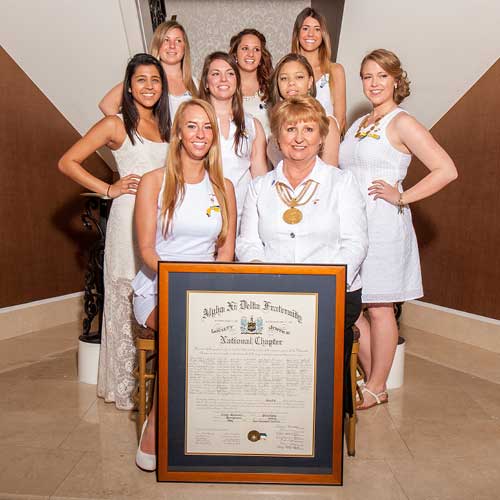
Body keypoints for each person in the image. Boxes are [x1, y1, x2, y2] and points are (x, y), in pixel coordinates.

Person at [339, 49, 458, 410]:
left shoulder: (402, 122)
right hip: (353, 225)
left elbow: (446, 169)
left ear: (395, 80)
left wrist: (402, 196)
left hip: (384, 224)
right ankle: (375, 374)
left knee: (379, 306)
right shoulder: (360, 123)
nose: (373, 83)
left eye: (381, 76)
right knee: (350, 301)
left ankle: (377, 385)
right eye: (367, 76)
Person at [237, 96, 368, 417]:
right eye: (290, 128)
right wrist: (262, 277)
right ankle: (267, 419)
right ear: (277, 138)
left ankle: (325, 427)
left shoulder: (341, 182)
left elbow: (356, 243)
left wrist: (326, 283)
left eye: (309, 129)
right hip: (272, 294)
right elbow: (247, 244)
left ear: (322, 137)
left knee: (320, 357)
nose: (299, 137)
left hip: (332, 294)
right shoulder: (260, 187)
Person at [59, 53, 170, 410]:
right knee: (126, 295)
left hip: (162, 220)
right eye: (141, 80)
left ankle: (156, 383)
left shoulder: (167, 125)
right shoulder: (116, 124)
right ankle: (125, 387)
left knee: (156, 295)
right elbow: (68, 161)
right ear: (128, 86)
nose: (149, 86)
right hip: (128, 216)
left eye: (155, 80)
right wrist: (109, 189)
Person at [132, 98, 236, 471]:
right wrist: (181, 284)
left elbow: (225, 255)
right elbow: (146, 249)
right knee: (185, 330)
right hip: (158, 288)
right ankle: (158, 422)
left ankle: (214, 423)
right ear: (177, 132)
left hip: (208, 291)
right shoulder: (153, 183)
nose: (200, 134)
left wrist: (206, 290)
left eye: (207, 127)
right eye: (192, 126)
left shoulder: (223, 187)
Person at [199, 52, 267, 229]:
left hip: (243, 213)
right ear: (206, 83)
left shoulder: (253, 124)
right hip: (204, 209)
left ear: (237, 81)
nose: (223, 79)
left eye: (230, 73)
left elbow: (259, 176)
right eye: (215, 74)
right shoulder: (193, 122)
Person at [99, 20, 197, 119]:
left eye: (178, 41)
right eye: (166, 40)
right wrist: (134, 131)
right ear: (157, 45)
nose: (172, 46)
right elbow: (107, 105)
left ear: (185, 47)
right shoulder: (144, 79)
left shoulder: (196, 84)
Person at [267, 53, 340, 167]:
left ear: (310, 82)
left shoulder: (326, 123)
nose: (291, 83)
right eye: (284, 78)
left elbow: (330, 177)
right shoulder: (277, 122)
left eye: (299, 77)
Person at [291, 7, 346, 132]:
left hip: (326, 144)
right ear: (297, 33)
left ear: (323, 35)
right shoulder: (286, 69)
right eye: (305, 29)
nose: (311, 34)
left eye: (317, 29)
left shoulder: (335, 70)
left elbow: (340, 120)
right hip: (293, 144)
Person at [229, 28, 273, 136]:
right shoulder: (225, 87)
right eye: (245, 48)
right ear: (235, 55)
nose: (251, 54)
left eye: (256, 49)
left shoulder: (272, 87)